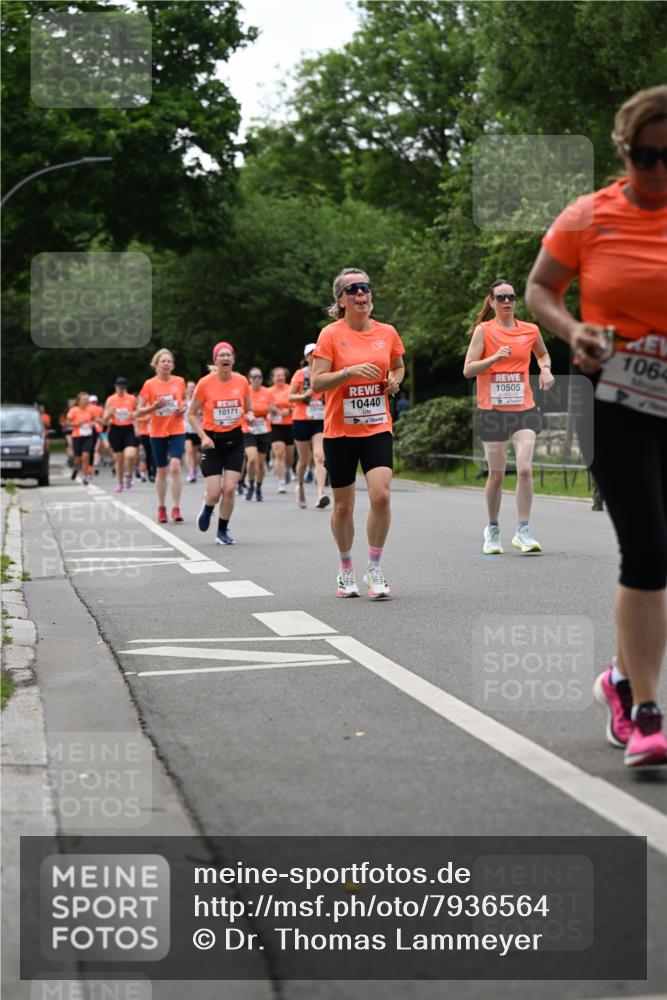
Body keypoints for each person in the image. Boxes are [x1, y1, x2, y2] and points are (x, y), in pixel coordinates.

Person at [525, 85, 667, 767]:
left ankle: (617, 677)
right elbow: (539, 289)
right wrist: (571, 329)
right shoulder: (588, 217)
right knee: (644, 549)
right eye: (646, 157)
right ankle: (644, 713)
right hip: (616, 401)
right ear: (623, 152)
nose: (659, 170)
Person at [311, 268, 405, 599]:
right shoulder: (330, 335)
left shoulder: (387, 332)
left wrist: (394, 381)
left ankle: (374, 569)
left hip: (377, 424)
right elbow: (317, 382)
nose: (361, 294)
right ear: (341, 300)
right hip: (340, 431)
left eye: (365, 288)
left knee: (381, 495)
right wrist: (348, 372)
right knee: (343, 507)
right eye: (353, 290)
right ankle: (345, 568)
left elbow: (397, 365)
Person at [463, 280, 555, 555]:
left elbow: (543, 353)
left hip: (523, 408)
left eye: (511, 297)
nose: (507, 302)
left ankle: (523, 530)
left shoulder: (530, 330)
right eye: (501, 297)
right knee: (497, 475)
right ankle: (492, 529)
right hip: (492, 411)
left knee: (525, 469)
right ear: (491, 302)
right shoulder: (483, 331)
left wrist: (546, 369)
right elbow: (468, 370)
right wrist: (492, 360)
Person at [189, 342, 253, 545]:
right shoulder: (205, 383)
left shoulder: (242, 381)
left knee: (229, 489)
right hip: (212, 442)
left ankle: (222, 531)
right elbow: (191, 414)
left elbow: (248, 409)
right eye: (221, 355)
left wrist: (250, 415)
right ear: (215, 360)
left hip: (235, 439)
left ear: (233, 359)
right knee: (214, 493)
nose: (225, 358)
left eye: (228, 355)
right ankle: (208, 508)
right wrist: (203, 437)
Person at [137, 348, 187, 524]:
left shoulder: (180, 381)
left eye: (169, 361)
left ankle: (176, 507)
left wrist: (183, 408)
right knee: (161, 470)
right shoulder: (149, 384)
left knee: (175, 466)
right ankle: (161, 507)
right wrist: (153, 408)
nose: (166, 363)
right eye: (162, 361)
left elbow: (184, 401)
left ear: (172, 365)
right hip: (157, 432)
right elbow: (139, 411)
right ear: (156, 365)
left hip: (177, 430)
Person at [289, 345, 329, 509]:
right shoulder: (301, 374)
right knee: (304, 459)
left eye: (318, 353)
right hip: (301, 419)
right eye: (312, 354)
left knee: (320, 456)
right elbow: (290, 397)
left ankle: (321, 494)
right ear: (307, 358)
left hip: (320, 418)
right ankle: (300, 485)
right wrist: (303, 395)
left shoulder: (326, 373)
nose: (315, 356)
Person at [102, 377, 138, 493]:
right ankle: (119, 483)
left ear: (125, 387)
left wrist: (136, 425)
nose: (121, 389)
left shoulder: (132, 398)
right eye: (119, 387)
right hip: (116, 430)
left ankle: (129, 475)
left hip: (128, 429)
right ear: (115, 387)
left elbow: (138, 412)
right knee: (120, 460)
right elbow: (104, 421)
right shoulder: (110, 400)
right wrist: (109, 413)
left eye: (123, 387)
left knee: (130, 455)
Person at [243, 367, 273, 502]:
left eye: (259, 377)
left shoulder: (267, 392)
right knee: (252, 458)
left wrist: (273, 411)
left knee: (261, 463)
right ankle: (250, 485)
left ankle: (258, 488)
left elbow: (271, 408)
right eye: (254, 377)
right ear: (249, 378)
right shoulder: (245, 392)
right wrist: (248, 416)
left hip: (263, 429)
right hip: (248, 429)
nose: (257, 380)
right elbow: (240, 409)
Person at [267, 367, 294, 493]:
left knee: (289, 456)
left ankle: (287, 469)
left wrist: (288, 410)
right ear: (273, 378)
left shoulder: (290, 389)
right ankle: (281, 481)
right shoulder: (268, 391)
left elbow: (297, 404)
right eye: (277, 376)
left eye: (282, 375)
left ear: (285, 377)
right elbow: (264, 405)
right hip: (275, 425)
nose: (280, 378)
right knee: (279, 453)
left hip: (290, 424)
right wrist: (272, 410)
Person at [66, 392, 96, 485]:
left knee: (86, 456)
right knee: (78, 458)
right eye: (84, 399)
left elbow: (95, 420)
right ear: (79, 401)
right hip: (77, 436)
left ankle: (85, 476)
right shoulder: (74, 410)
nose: (86, 401)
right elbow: (67, 423)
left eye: (87, 399)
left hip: (88, 436)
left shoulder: (91, 410)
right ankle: (76, 469)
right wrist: (77, 423)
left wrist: (93, 423)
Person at [184, 380, 201, 483]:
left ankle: (194, 468)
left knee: (197, 454)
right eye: (190, 387)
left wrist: (201, 412)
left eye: (193, 387)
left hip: (197, 429)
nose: (192, 389)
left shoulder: (199, 401)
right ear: (186, 389)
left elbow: (204, 414)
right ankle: (191, 472)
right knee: (189, 450)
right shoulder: (183, 401)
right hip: (186, 429)